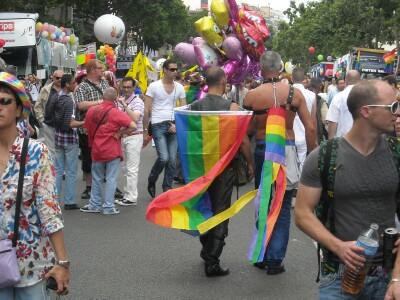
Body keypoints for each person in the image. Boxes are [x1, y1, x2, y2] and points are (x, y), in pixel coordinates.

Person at [295, 80, 399, 299]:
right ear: (366, 112)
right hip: (339, 275)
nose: (397, 113)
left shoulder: (396, 154)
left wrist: (397, 277)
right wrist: (339, 247)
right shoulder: (323, 157)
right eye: (392, 107)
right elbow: (302, 213)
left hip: (389, 275)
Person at [243, 51, 317, 275]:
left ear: (261, 69)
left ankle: (262, 254)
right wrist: (314, 158)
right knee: (284, 205)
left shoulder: (252, 96)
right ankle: (275, 260)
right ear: (281, 67)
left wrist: (248, 161)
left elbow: (245, 132)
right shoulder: (294, 93)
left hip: (264, 148)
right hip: (287, 148)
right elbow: (311, 128)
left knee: (263, 201)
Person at [0, 72, 70, 298]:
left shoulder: (35, 153)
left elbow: (49, 209)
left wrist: (62, 262)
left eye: (4, 101)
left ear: (19, 109)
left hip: (31, 264)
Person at [191, 67, 254, 277]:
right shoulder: (232, 107)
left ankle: (206, 248)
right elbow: (243, 139)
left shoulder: (195, 107)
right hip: (224, 167)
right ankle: (212, 260)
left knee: (204, 207)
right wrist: (250, 162)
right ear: (224, 81)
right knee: (220, 211)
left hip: (200, 166)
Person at [80, 88, 136, 215]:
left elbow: (86, 129)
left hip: (97, 149)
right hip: (112, 149)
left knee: (97, 178)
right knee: (111, 179)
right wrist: (120, 133)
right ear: (115, 98)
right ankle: (108, 206)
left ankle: (94, 204)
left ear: (102, 97)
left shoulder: (91, 111)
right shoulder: (116, 112)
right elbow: (133, 125)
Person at [143, 59, 186, 197]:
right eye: (172, 69)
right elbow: (147, 109)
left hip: (173, 124)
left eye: (176, 69)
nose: (175, 72)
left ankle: (167, 187)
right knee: (164, 158)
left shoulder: (179, 87)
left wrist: (177, 125)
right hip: (157, 124)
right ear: (165, 70)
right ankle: (152, 178)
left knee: (172, 159)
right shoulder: (154, 86)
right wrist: (145, 130)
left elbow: (183, 109)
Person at [74, 59, 109, 200]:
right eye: (100, 68)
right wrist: (101, 102)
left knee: (107, 156)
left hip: (105, 128)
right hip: (87, 129)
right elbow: (81, 105)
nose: (103, 71)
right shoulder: (82, 87)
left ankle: (107, 184)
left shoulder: (105, 83)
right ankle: (89, 186)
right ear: (93, 70)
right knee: (88, 158)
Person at [54, 74, 84, 210]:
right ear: (67, 84)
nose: (75, 85)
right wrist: (84, 122)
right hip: (70, 138)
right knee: (71, 171)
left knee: (58, 170)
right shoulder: (69, 101)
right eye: (73, 83)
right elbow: (71, 123)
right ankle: (69, 201)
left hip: (58, 136)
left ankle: (54, 200)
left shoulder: (57, 96)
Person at [116, 77, 144, 206]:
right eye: (124, 87)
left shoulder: (137, 101)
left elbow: (135, 118)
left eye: (129, 87)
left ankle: (131, 197)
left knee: (132, 168)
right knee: (125, 168)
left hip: (134, 136)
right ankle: (127, 194)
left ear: (134, 87)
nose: (126, 89)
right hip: (123, 136)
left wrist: (125, 106)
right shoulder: (120, 100)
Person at [291, 67, 317, 170]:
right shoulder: (311, 95)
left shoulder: (285, 93)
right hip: (305, 136)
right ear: (304, 79)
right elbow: (313, 120)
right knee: (302, 166)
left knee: (288, 167)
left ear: (292, 78)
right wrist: (314, 140)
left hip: (288, 135)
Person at [34, 69, 64, 157]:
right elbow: (38, 106)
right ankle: (54, 169)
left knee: (63, 150)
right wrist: (41, 120)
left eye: (62, 78)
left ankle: (61, 168)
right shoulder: (46, 89)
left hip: (64, 125)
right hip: (49, 124)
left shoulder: (68, 88)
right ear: (53, 77)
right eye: (58, 78)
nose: (60, 80)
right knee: (51, 150)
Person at [326, 70, 360, 139]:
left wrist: (330, 144)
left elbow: (332, 121)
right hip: (363, 143)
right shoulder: (367, 96)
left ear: (346, 81)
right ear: (359, 81)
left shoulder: (338, 97)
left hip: (342, 142)